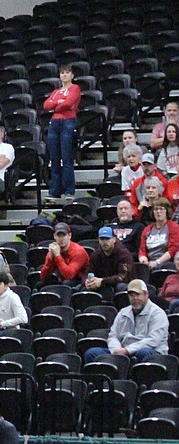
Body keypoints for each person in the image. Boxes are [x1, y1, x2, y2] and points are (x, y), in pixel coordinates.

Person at [83, 279, 168, 364]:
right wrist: (116, 350)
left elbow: (153, 340)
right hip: (123, 352)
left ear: (146, 294)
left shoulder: (158, 314)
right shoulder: (123, 312)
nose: (135, 298)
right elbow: (113, 335)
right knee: (92, 353)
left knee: (143, 353)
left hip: (151, 352)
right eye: (131, 295)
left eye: (138, 295)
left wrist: (128, 350)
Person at [43, 63, 80, 201]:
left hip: (68, 122)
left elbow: (68, 103)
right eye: (62, 72)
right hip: (55, 123)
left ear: (72, 75)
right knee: (54, 158)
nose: (64, 75)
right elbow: (46, 105)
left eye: (67, 72)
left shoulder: (75, 88)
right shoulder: (56, 91)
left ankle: (69, 189)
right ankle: (55, 190)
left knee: (66, 157)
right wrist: (59, 102)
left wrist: (56, 105)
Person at [83, 226, 133, 300]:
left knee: (121, 287)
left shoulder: (123, 254)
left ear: (114, 239)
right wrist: (87, 281)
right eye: (102, 239)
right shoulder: (95, 255)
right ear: (99, 240)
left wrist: (102, 281)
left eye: (107, 239)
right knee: (83, 288)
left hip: (120, 285)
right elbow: (88, 272)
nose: (105, 242)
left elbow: (123, 277)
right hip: (102, 285)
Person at [38, 223, 89, 288]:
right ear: (54, 236)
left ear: (69, 236)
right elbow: (43, 277)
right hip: (63, 279)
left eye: (64, 235)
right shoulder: (54, 249)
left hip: (80, 281)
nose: (61, 238)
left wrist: (57, 256)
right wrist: (50, 259)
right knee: (40, 284)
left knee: (66, 283)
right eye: (59, 235)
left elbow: (69, 276)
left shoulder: (78, 251)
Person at [137, 198, 179, 275]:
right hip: (149, 263)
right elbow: (142, 250)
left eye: (161, 209)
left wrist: (157, 262)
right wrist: (144, 260)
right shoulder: (147, 229)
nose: (158, 212)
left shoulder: (173, 227)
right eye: (156, 209)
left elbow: (173, 250)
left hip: (166, 262)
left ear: (167, 211)